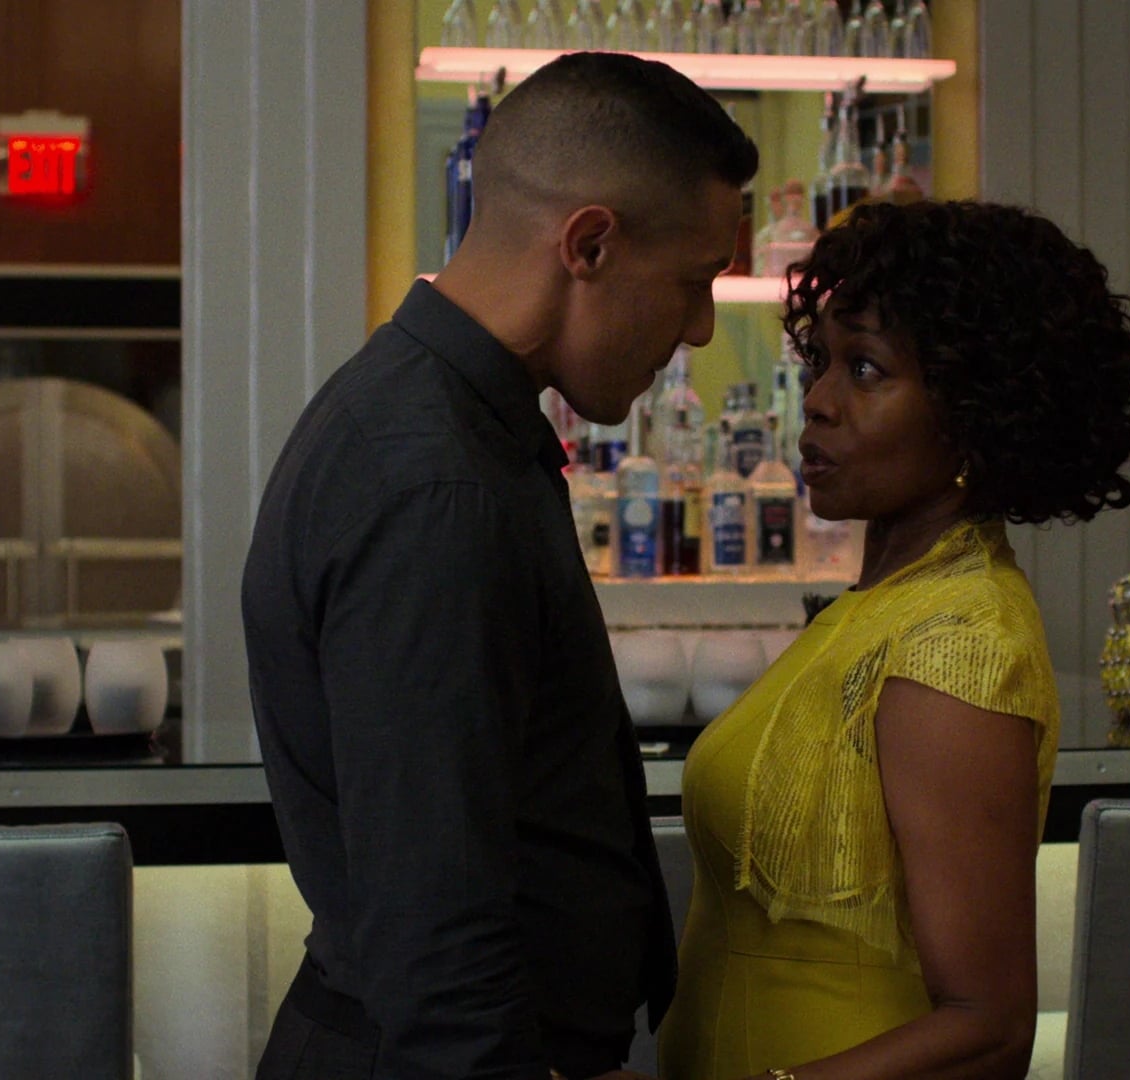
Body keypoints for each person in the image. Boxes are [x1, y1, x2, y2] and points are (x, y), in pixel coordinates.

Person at [241, 53, 757, 1080]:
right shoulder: (437, 483)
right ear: (589, 245)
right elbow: (434, 919)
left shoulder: (433, 421)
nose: (699, 329)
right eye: (695, 282)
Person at [657, 199, 1130, 1080]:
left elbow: (988, 1028)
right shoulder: (878, 608)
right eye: (821, 361)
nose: (818, 402)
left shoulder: (956, 641)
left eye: (866, 369)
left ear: (972, 413)